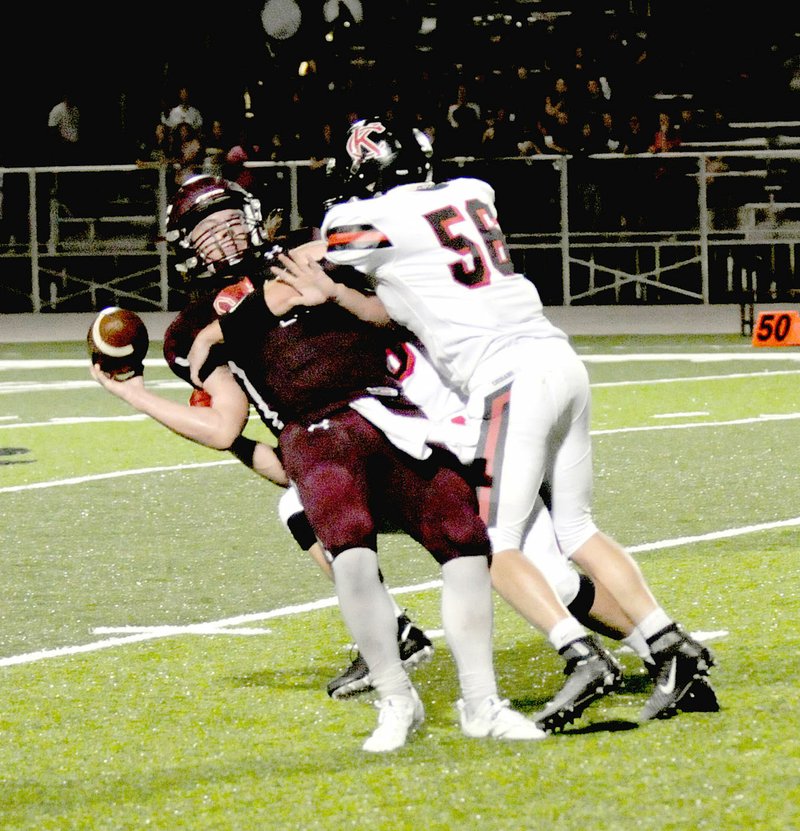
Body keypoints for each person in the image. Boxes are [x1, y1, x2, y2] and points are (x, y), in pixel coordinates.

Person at [274, 116, 718, 725]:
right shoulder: (472, 192)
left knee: (491, 543)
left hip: (506, 377)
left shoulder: (371, 221)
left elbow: (321, 251)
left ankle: (580, 653)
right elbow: (398, 303)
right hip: (557, 357)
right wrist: (340, 297)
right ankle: (671, 646)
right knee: (579, 528)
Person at [94, 174, 547, 752]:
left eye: (231, 219)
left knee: (464, 543)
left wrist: (326, 276)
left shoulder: (311, 254)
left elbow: (387, 299)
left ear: (257, 216)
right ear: (184, 246)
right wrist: (130, 392)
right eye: (206, 229)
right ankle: (395, 697)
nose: (224, 235)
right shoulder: (191, 330)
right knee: (350, 550)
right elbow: (222, 424)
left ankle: (482, 702)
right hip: (313, 432)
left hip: (392, 409)